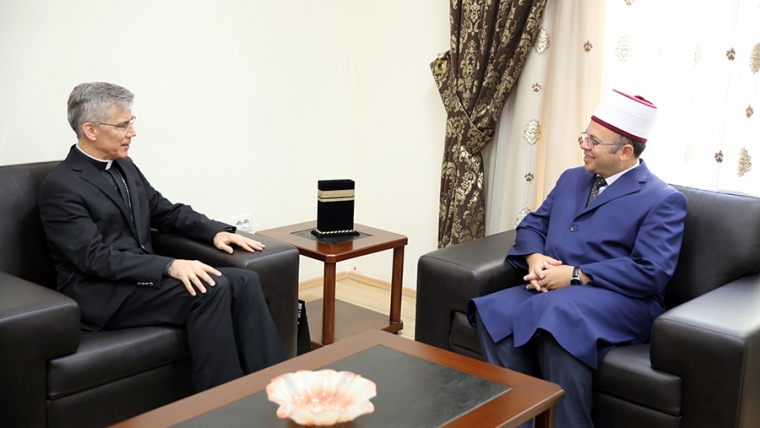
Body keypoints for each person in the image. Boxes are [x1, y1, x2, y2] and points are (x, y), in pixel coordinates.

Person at [39, 82, 286, 392]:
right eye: (123, 125)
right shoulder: (61, 186)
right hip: (103, 294)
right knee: (210, 289)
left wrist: (216, 231)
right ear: (91, 129)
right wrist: (169, 266)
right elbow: (93, 257)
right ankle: (221, 404)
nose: (132, 132)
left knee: (246, 281)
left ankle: (277, 388)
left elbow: (164, 211)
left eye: (131, 122)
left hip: (141, 279)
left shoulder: (125, 167)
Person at [467, 89, 688, 428]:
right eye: (586, 136)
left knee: (557, 316)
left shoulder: (663, 199)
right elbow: (533, 224)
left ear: (625, 152)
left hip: (623, 300)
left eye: (594, 141)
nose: (584, 145)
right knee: (493, 311)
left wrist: (576, 275)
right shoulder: (572, 178)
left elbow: (651, 270)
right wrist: (535, 258)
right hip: (555, 292)